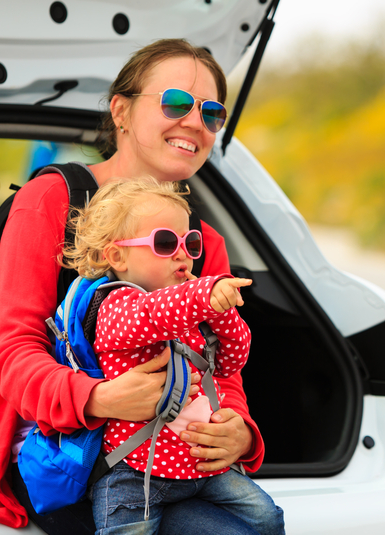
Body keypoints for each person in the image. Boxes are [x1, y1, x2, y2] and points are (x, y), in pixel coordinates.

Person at [0, 39, 267, 533]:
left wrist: (239, 430)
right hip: (64, 456)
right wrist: (99, 398)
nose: (195, 121)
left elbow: (218, 366)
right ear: (121, 111)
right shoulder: (52, 201)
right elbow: (14, 355)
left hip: (172, 458)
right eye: (175, 103)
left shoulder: (204, 241)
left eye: (211, 112)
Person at [61, 177, 283, 534]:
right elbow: (152, 315)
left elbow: (232, 360)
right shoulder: (115, 306)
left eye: (189, 242)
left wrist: (220, 311)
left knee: (268, 518)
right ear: (117, 255)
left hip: (200, 466)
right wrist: (203, 293)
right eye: (165, 242)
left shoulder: (185, 308)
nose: (182, 253)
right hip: (133, 475)